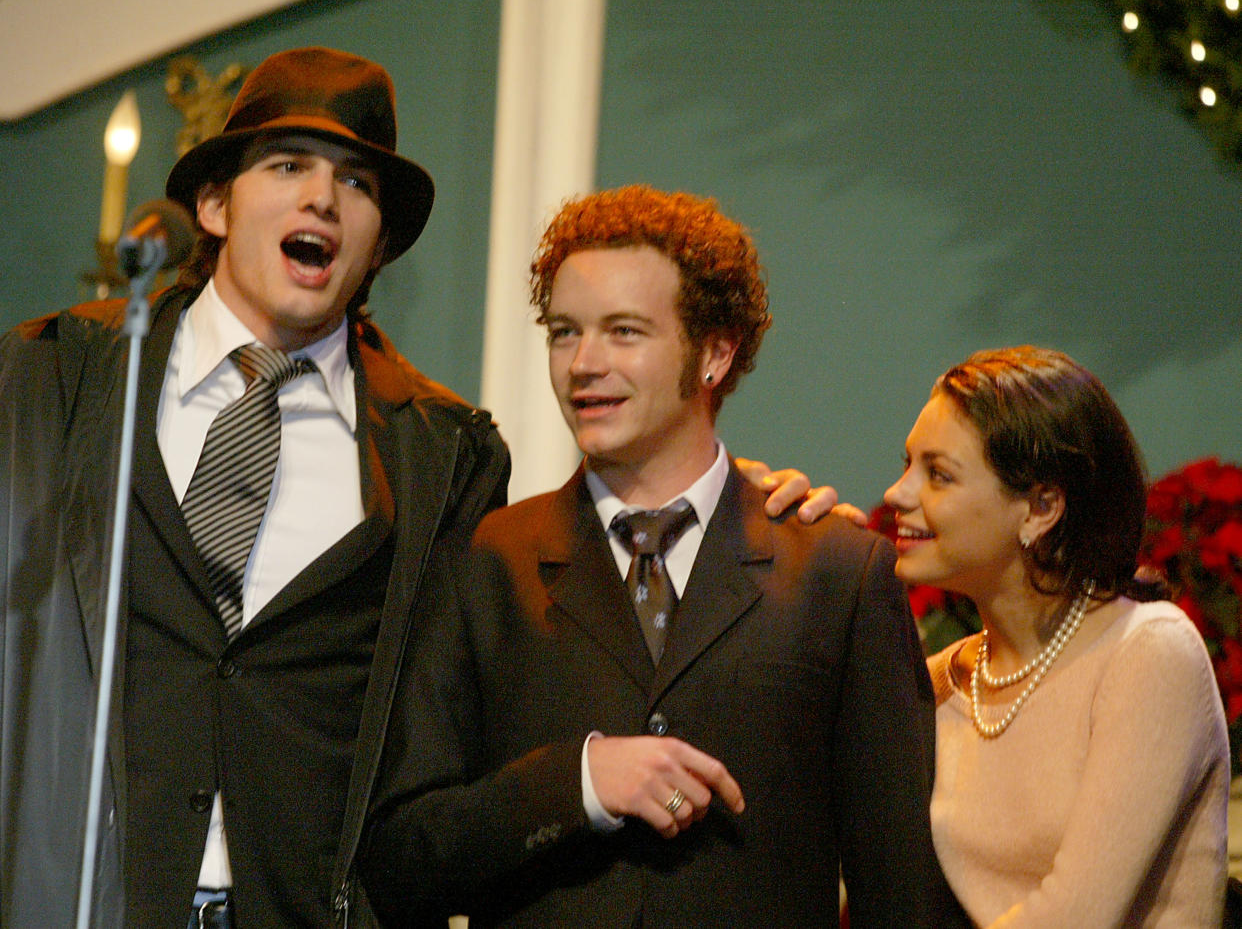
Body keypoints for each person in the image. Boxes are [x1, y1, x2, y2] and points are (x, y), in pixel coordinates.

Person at [0, 50, 832, 928]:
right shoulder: (56, 377)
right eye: (288, 166)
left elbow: (485, 692)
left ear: (379, 241)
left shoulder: (444, 453)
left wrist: (731, 510)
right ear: (214, 204)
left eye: (356, 184)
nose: (323, 198)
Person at [360, 184, 965, 928]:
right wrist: (576, 783)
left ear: (714, 352)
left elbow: (899, 885)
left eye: (623, 331)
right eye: (562, 331)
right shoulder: (486, 562)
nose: (583, 362)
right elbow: (398, 856)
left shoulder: (839, 573)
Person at [882, 346, 1230, 926]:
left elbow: (1075, 917)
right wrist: (782, 528)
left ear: (1040, 506)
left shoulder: (1148, 651)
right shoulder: (949, 679)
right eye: (908, 464)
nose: (898, 493)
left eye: (938, 474)